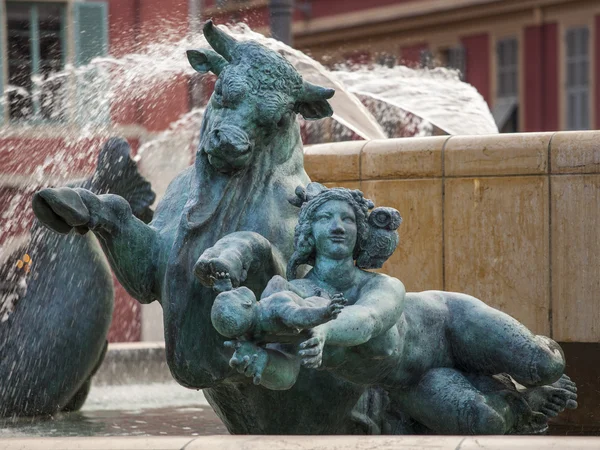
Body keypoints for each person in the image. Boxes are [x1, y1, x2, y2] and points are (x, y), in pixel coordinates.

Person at [222, 183, 577, 434]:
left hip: (450, 323)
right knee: (487, 422)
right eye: (325, 218)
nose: (337, 226)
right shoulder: (294, 298)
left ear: (360, 232)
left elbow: (370, 318)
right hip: (411, 382)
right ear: (308, 232)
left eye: (346, 219)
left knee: (543, 363)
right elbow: (287, 373)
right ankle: (524, 402)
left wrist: (326, 329)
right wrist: (259, 363)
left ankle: (532, 369)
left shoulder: (379, 284)